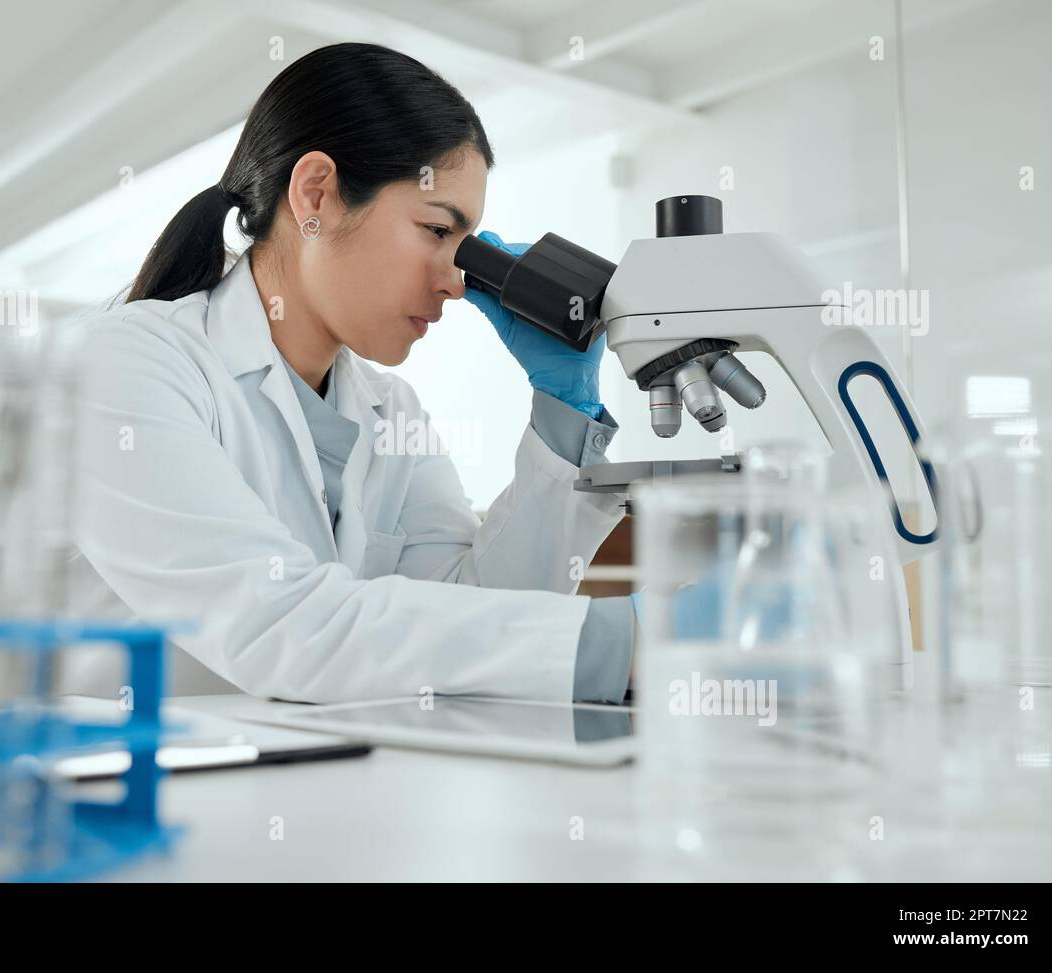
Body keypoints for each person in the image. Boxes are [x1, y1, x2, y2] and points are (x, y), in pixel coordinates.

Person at [64, 42, 635, 704]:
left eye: (466, 244)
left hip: (318, 788)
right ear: (317, 195)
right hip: (131, 792)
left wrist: (561, 414)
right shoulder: (130, 363)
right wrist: (620, 641)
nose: (456, 280)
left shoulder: (393, 412)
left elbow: (471, 618)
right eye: (436, 229)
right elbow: (284, 625)